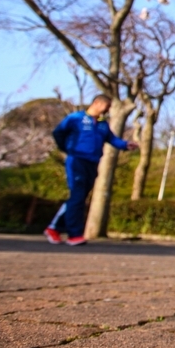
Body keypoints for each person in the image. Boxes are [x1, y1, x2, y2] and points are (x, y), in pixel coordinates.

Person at [45, 94, 138, 246]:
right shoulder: (75, 118)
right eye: (106, 106)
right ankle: (74, 234)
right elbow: (58, 133)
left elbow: (111, 138)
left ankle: (53, 228)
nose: (108, 110)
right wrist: (68, 148)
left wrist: (125, 145)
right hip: (77, 160)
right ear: (96, 103)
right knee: (77, 194)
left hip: (93, 162)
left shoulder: (102, 124)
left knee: (79, 197)